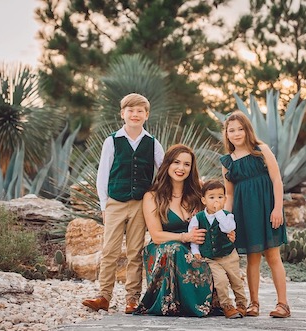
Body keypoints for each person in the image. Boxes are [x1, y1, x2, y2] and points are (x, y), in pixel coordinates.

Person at [83, 93, 164, 314]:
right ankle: (104, 296)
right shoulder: (112, 141)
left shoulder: (153, 143)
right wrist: (104, 205)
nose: (135, 114)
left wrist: (154, 198)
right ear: (122, 114)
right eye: (130, 110)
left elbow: (163, 171)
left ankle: (132, 299)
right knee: (109, 250)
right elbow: (103, 174)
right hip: (115, 202)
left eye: (140, 111)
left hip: (140, 205)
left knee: (135, 252)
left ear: (146, 115)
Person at [220, 111, 291, 318]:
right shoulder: (227, 162)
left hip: (268, 209)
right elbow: (230, 194)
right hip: (245, 213)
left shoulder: (261, 150)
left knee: (273, 256)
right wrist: (226, 221)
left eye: (240, 129)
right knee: (252, 259)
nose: (236, 133)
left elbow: (277, 180)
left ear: (247, 130)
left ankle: (283, 304)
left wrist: (277, 209)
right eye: (231, 130)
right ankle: (254, 303)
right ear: (227, 134)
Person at [133, 144, 213, 317]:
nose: (181, 168)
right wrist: (185, 236)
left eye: (186, 164)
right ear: (167, 164)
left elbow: (215, 215)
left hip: (194, 247)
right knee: (174, 249)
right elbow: (156, 235)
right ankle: (172, 303)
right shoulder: (152, 196)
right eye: (176, 162)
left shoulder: (199, 192)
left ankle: (205, 301)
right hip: (161, 248)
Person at [188, 179, 248, 319]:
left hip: (228, 255)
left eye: (220, 197)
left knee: (236, 281)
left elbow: (228, 228)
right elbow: (194, 236)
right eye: (212, 197)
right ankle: (227, 306)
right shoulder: (198, 218)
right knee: (221, 282)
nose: (216, 200)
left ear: (225, 199)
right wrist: (195, 251)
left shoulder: (227, 216)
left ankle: (241, 304)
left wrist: (219, 212)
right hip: (211, 258)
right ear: (203, 200)